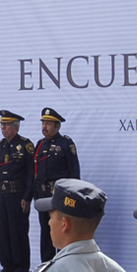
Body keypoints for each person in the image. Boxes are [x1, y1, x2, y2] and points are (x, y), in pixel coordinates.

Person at [32, 108, 80, 261]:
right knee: (45, 231)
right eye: (43, 123)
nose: (44, 127)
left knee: (61, 230)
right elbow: (34, 171)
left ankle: (63, 263)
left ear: (57, 126)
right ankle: (46, 265)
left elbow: (74, 173)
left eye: (48, 124)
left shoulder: (66, 144)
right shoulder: (40, 144)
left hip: (59, 195)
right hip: (43, 194)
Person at [0, 110, 34, 272]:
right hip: (2, 193)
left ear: (15, 127)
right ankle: (7, 266)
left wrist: (27, 197)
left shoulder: (25, 145)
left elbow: (32, 173)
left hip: (18, 194)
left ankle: (21, 268)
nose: (3, 128)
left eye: (7, 125)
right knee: (3, 231)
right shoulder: (0, 145)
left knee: (18, 232)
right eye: (1, 125)